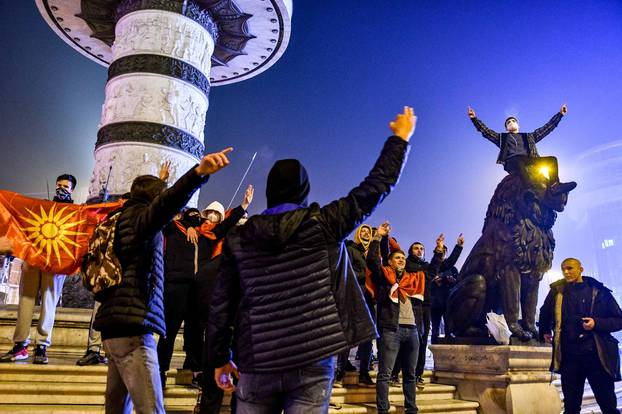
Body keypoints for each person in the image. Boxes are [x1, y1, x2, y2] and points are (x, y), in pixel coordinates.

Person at [208, 106, 415, 414]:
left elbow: (221, 304)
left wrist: (218, 357)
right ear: (304, 191)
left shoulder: (240, 238)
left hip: (257, 357)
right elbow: (375, 187)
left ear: (270, 192)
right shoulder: (324, 223)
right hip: (312, 356)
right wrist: (399, 139)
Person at [92, 148, 234, 414]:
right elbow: (168, 204)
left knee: (116, 408)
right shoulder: (139, 219)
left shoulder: (118, 218)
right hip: (133, 326)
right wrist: (198, 173)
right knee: (152, 409)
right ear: (153, 199)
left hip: (113, 325)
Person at [0, 174, 77, 364]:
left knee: (49, 303)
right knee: (25, 301)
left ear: (72, 190)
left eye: (65, 186)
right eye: (59, 185)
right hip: (33, 259)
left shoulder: (75, 211)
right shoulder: (41, 206)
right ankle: (20, 345)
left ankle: (42, 345)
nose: (61, 189)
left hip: (55, 263)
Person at [368, 222, 444, 414]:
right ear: (391, 262)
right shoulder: (385, 276)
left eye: (403, 258)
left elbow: (431, 271)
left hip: (412, 331)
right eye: (397, 258)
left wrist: (438, 251)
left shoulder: (414, 279)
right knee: (385, 374)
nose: (401, 260)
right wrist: (378, 237)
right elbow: (372, 261)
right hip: (391, 330)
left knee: (410, 375)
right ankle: (383, 409)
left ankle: (411, 409)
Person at [539, 258, 622, 414]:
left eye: (570, 268)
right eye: (563, 269)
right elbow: (545, 312)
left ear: (581, 269)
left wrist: (596, 323)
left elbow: (618, 320)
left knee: (608, 404)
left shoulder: (598, 291)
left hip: (596, 356)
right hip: (570, 357)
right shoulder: (557, 291)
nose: (566, 272)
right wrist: (544, 331)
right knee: (571, 406)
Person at [403, 234, 463, 387]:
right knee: (412, 339)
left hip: (427, 305)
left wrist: (457, 247)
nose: (419, 251)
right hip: (412, 306)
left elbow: (446, 264)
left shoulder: (429, 266)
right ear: (410, 251)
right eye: (416, 248)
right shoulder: (406, 264)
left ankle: (418, 373)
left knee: (423, 339)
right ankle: (403, 371)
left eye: (421, 249)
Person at [468, 105, 567, 176]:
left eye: (513, 121)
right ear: (506, 128)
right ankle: (529, 189)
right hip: (513, 162)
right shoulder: (502, 138)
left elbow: (547, 128)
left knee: (552, 160)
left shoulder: (529, 137)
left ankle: (555, 185)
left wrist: (560, 114)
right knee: (519, 161)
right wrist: (474, 119)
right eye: (508, 122)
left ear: (518, 125)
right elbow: (486, 131)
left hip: (530, 161)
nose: (511, 122)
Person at [334, 224, 375, 388]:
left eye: (368, 232)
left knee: (368, 338)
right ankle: (340, 372)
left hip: (369, 299)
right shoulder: (351, 249)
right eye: (362, 231)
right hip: (353, 296)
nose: (365, 234)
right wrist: (365, 273)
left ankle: (364, 373)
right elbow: (346, 270)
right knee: (347, 334)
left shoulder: (373, 253)